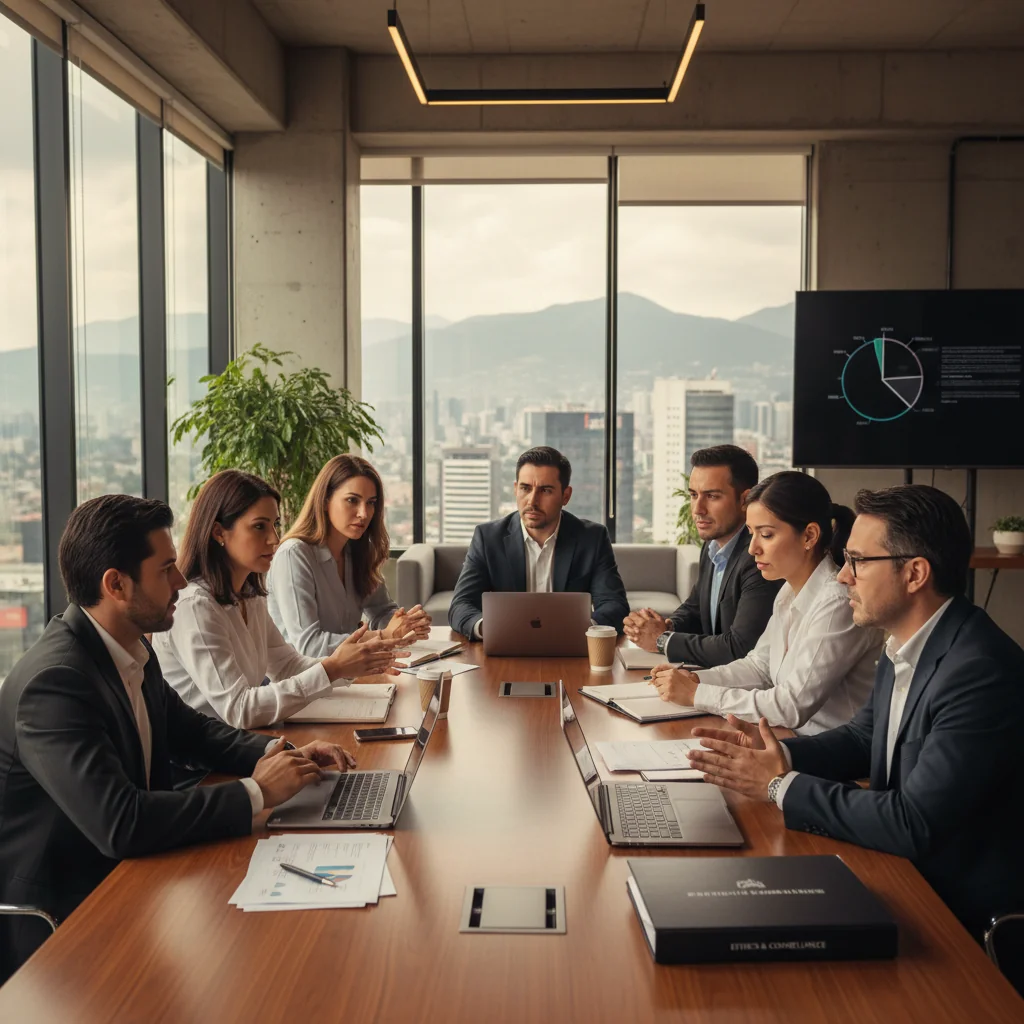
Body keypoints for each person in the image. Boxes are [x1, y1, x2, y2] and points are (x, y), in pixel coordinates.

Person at [0, 495, 356, 982]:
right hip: (66, 924)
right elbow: (119, 822)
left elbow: (193, 730)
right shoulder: (56, 681)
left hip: (134, 876)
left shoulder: (125, 648)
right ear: (115, 584)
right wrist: (257, 792)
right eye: (166, 569)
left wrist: (280, 754)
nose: (180, 582)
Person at [686, 484, 1024, 940]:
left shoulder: (979, 672)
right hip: (900, 870)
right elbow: (865, 740)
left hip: (956, 912)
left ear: (915, 573)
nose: (843, 576)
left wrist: (777, 785)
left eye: (858, 562)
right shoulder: (903, 640)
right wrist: (778, 757)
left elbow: (913, 823)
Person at [152, 471, 410, 730]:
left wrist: (350, 665)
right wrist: (333, 668)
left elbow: (287, 666)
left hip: (242, 742)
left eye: (274, 525)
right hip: (203, 764)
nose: (274, 539)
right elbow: (239, 709)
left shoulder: (249, 596)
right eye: (259, 526)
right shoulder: (195, 606)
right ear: (219, 532)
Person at [649, 471, 882, 734]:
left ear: (809, 536)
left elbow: (790, 705)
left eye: (767, 535)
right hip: (787, 739)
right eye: (751, 534)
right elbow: (759, 667)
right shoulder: (787, 592)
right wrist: (696, 679)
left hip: (831, 758)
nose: (752, 549)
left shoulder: (837, 603)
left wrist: (697, 694)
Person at [623, 445, 782, 667]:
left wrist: (662, 640)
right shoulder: (712, 546)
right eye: (694, 495)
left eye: (712, 496)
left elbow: (740, 648)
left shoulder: (759, 559)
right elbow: (696, 607)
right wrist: (667, 626)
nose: (698, 509)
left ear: (745, 499)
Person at [448, 446, 629, 640]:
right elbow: (461, 605)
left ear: (565, 496)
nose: (532, 501)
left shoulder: (592, 538)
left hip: (570, 649)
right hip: (507, 646)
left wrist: (583, 629)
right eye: (525, 488)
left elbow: (614, 605)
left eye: (545, 490)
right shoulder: (488, 538)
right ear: (515, 489)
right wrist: (489, 628)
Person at [268, 455, 430, 657]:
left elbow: (380, 611)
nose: (364, 513)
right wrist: (384, 635)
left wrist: (405, 622)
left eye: (371, 503)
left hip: (349, 673)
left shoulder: (360, 551)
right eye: (352, 500)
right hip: (304, 681)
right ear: (326, 500)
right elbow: (309, 646)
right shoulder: (294, 555)